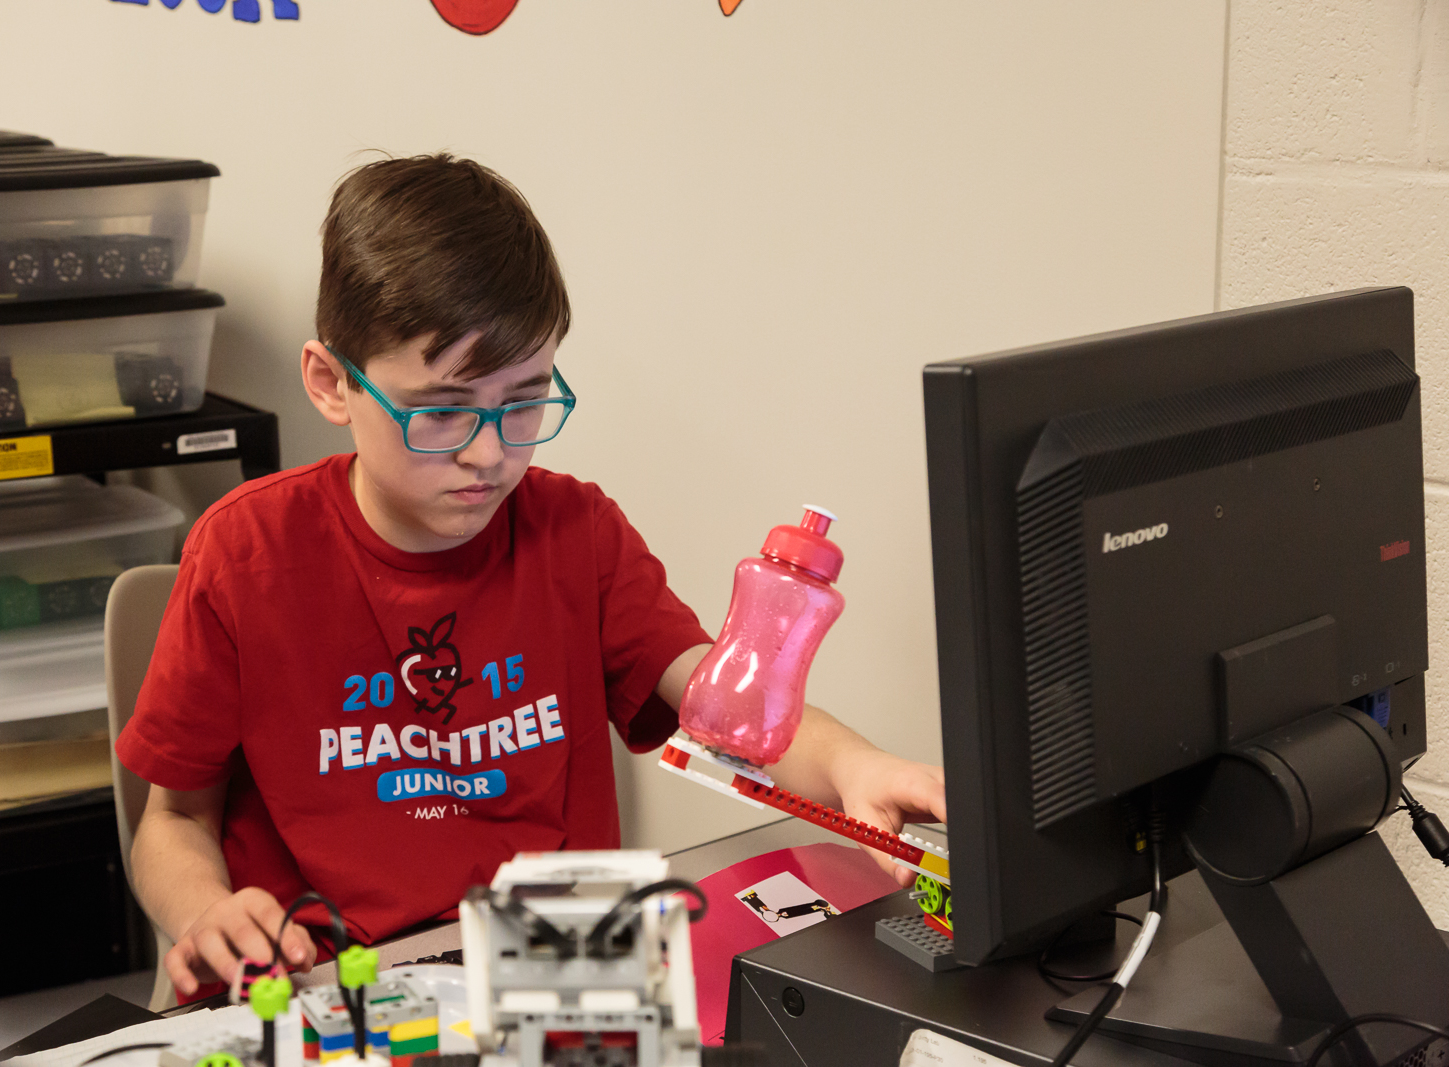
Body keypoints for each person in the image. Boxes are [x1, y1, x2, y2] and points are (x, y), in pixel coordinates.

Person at [118, 153, 946, 999]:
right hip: (332, 986)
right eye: (441, 410)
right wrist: (204, 912)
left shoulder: (575, 533)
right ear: (333, 383)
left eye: (524, 401)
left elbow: (725, 708)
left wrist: (855, 766)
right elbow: (173, 821)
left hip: (550, 977)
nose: (488, 452)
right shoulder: (246, 554)